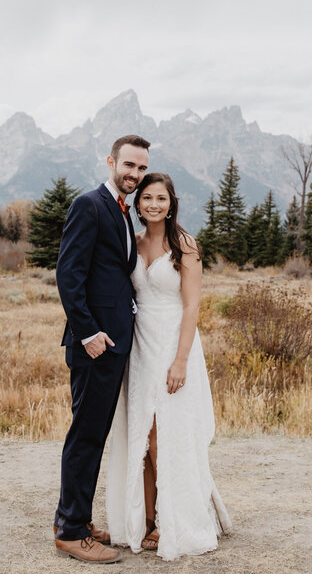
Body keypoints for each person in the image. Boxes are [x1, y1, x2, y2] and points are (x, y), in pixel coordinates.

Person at [106, 172, 231, 560]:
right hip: (140, 347)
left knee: (164, 436)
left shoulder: (185, 246)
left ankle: (169, 519)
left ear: (171, 203)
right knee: (140, 436)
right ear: (138, 204)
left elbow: (192, 305)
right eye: (147, 199)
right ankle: (142, 518)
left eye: (161, 198)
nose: (154, 205)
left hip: (174, 345)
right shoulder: (135, 242)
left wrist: (180, 360)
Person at [54, 135, 150, 564]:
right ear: (111, 161)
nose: (134, 174)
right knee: (86, 435)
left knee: (94, 434)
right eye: (128, 165)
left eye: (142, 168)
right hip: (95, 345)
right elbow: (68, 274)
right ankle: (71, 532)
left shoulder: (122, 211)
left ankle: (78, 518)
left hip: (114, 345)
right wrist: (89, 331)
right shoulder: (89, 205)